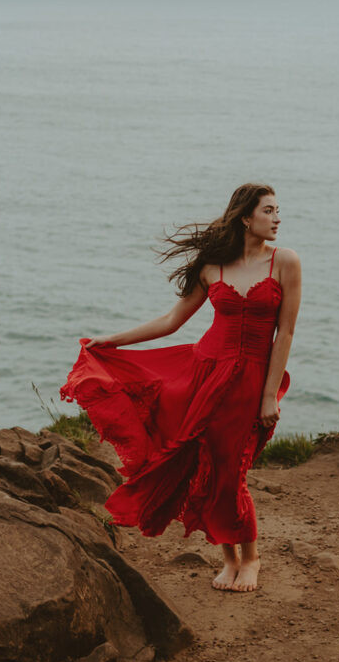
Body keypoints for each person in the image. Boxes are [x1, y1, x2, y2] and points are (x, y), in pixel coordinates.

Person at [60, 183, 301, 592]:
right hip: (204, 373)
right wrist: (114, 341)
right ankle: (229, 558)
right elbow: (172, 320)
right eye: (269, 211)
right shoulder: (212, 265)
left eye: (278, 211)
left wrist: (267, 395)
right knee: (203, 466)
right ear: (247, 217)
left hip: (250, 382)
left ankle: (252, 559)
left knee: (232, 468)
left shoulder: (285, 262)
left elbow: (286, 333)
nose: (278, 218)